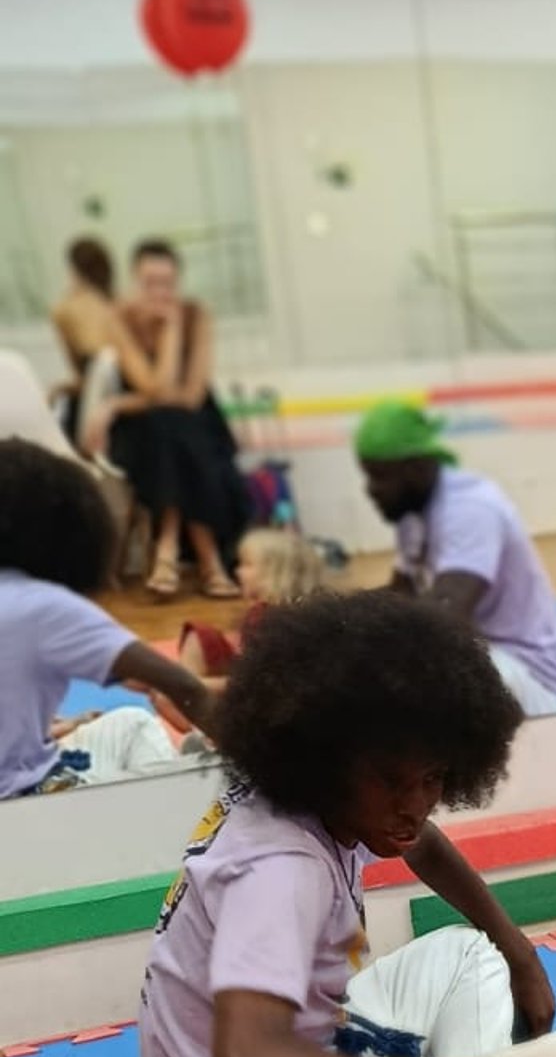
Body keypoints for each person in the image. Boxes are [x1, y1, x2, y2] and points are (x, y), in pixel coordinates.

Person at [138, 587, 556, 1057]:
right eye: (391, 781)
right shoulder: (282, 869)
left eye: (432, 778)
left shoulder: (313, 794)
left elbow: (422, 843)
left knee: (467, 952)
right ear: (328, 762)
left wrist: (519, 952)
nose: (414, 805)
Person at [0, 437, 217, 795]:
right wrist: (254, 763)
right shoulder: (43, 607)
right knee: (143, 737)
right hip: (25, 804)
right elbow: (182, 685)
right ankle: (190, 777)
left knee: (128, 723)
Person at [354, 398, 556, 718]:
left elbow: (446, 613)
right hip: (481, 655)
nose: (371, 490)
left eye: (380, 476)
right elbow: (399, 596)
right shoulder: (412, 512)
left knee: (404, 682)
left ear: (416, 468)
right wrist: (329, 621)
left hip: (528, 675)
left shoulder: (470, 508)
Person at [90, 239, 250, 603]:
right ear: (135, 279)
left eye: (167, 282)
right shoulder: (118, 318)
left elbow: (191, 396)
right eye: (150, 283)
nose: (160, 292)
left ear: (178, 280)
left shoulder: (196, 314)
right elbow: (154, 385)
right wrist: (166, 337)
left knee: (174, 426)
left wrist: (120, 402)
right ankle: (209, 560)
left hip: (196, 421)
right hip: (141, 430)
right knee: (165, 428)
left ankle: (168, 544)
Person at [178, 525, 327, 678]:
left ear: (274, 573)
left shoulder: (279, 619)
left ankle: (186, 689)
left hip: (267, 686)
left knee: (200, 636)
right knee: (201, 635)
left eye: (246, 564)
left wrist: (208, 687)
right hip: (251, 682)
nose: (237, 571)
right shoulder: (264, 613)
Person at [49, 239, 121, 403]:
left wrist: (58, 390)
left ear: (74, 271)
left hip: (93, 402)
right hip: (123, 398)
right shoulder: (120, 304)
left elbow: (80, 378)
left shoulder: (64, 310)